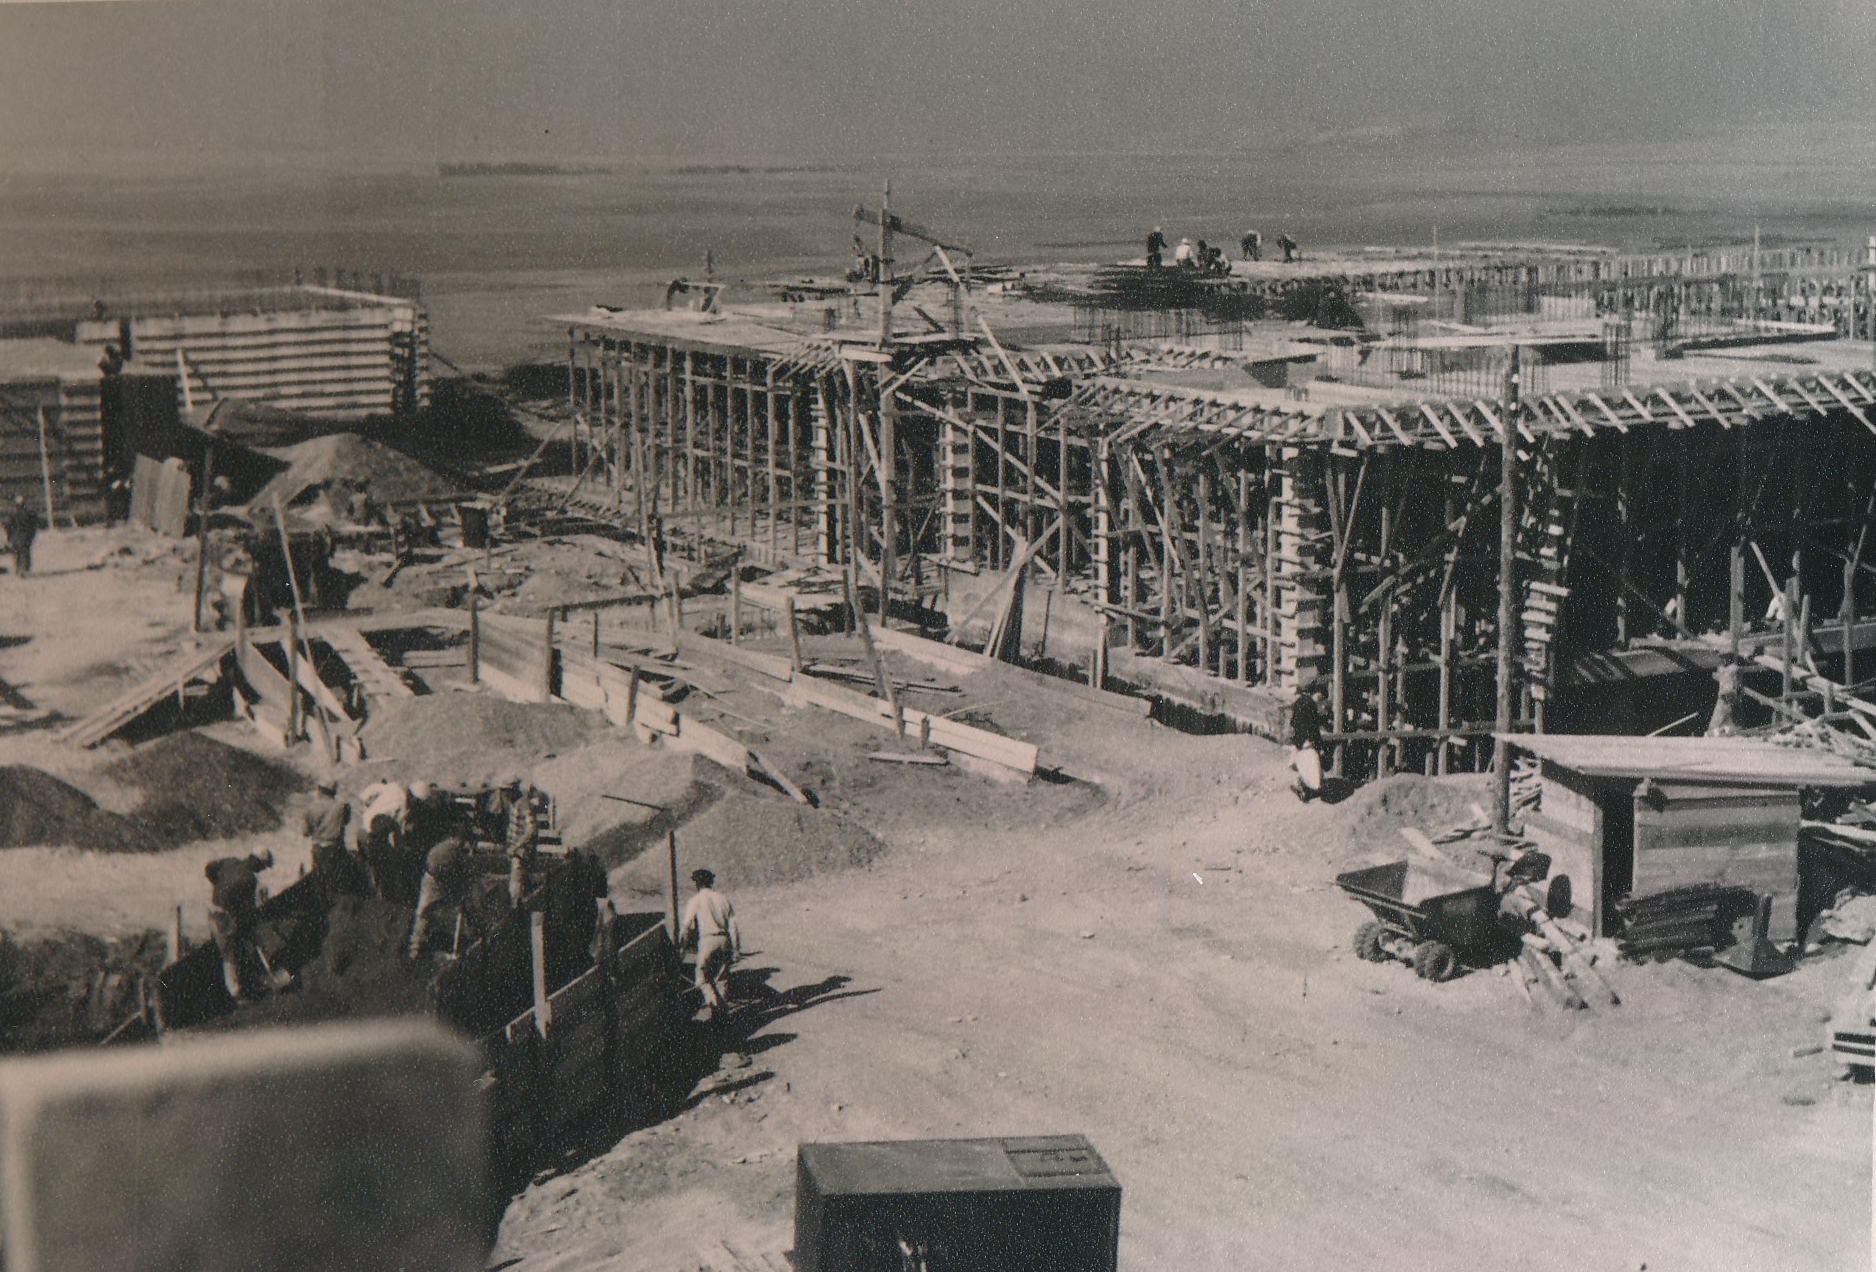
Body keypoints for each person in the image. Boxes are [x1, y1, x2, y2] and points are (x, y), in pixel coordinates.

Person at [205, 851, 276, 1001]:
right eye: (263, 866)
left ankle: (240, 986)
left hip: (212, 909)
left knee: (225, 949)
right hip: (225, 916)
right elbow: (246, 912)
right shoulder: (249, 879)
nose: (262, 870)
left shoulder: (230, 860)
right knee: (230, 952)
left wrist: (218, 886)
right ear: (257, 862)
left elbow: (209, 868)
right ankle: (237, 992)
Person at [680, 868, 743, 1021]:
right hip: (724, 939)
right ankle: (721, 1014)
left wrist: (682, 947)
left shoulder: (695, 901)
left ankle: (716, 1005)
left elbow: (687, 926)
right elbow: (733, 926)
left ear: (697, 884)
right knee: (721, 978)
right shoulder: (722, 898)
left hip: (707, 940)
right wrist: (736, 949)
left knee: (701, 978)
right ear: (711, 882)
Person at [408, 827, 473, 958]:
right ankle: (417, 947)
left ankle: (416, 946)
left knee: (424, 912)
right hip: (437, 879)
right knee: (427, 912)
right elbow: (461, 870)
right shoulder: (454, 851)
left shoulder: (444, 846)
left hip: (432, 877)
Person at [301, 778, 361, 896]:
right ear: (334, 791)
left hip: (318, 848)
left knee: (320, 881)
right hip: (335, 847)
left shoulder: (310, 808)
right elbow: (347, 821)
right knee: (338, 882)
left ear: (319, 790)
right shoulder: (342, 806)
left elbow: (305, 832)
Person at [356, 778, 411, 902]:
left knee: (369, 865)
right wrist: (400, 851)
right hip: (375, 835)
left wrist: (366, 807)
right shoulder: (403, 802)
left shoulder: (388, 787)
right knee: (384, 867)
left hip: (363, 830)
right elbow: (398, 829)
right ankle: (385, 897)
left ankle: (371, 892)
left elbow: (364, 794)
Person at [1288, 688, 1325, 803]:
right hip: (1306, 741)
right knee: (1312, 765)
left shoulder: (1300, 701)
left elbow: (1292, 722)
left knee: (1303, 765)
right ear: (1315, 694)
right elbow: (1313, 728)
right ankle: (1306, 788)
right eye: (1319, 696)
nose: (1319, 699)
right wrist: (1318, 743)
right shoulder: (1311, 705)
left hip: (1298, 739)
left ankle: (1303, 786)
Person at [7, 497, 41, 577]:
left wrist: (10, 537)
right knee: (24, 552)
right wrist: (31, 536)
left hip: (17, 537)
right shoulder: (30, 514)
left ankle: (19, 569)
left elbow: (9, 527)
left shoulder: (13, 514)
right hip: (25, 536)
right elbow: (34, 526)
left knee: (18, 553)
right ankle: (24, 569)